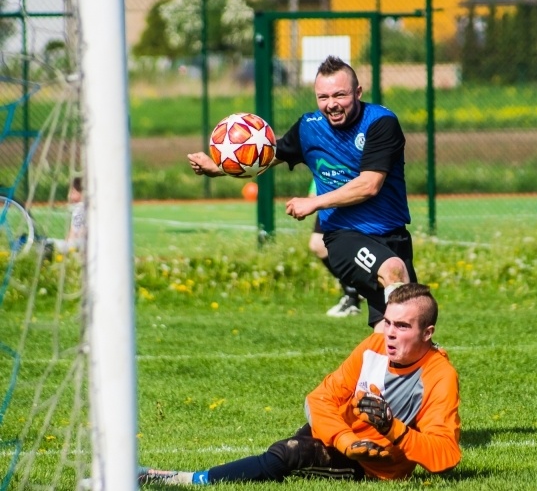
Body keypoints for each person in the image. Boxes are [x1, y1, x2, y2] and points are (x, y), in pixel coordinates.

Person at [138, 283, 461, 485]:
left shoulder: (438, 376)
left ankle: (183, 479)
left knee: (287, 454)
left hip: (372, 465)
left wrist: (393, 429)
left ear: (427, 332)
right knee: (289, 449)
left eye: (402, 326)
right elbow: (320, 399)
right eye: (388, 322)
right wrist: (345, 438)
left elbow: (445, 458)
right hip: (345, 438)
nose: (389, 333)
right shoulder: (374, 345)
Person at [189, 56, 416, 332]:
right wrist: (218, 167)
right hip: (344, 235)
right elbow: (266, 157)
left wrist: (313, 202)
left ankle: (380, 370)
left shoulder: (380, 123)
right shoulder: (309, 127)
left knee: (399, 328)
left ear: (358, 93)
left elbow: (369, 184)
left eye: (340, 95)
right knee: (394, 274)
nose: (331, 104)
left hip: (392, 235)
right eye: (323, 96)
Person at [307, 180, 362, 318]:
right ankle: (353, 290)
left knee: (353, 246)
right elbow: (312, 194)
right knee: (317, 244)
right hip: (328, 204)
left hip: (351, 199)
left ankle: (354, 295)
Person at [46, 176, 85, 254]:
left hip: (79, 245)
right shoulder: (78, 209)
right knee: (47, 242)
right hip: (74, 245)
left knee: (46, 244)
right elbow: (72, 231)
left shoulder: (82, 209)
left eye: (73, 192)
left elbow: (78, 234)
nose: (69, 196)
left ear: (83, 193)